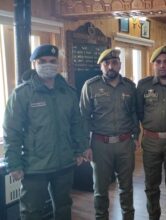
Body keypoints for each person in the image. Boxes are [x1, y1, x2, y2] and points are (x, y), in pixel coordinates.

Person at [3, 44, 88, 220]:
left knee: (64, 208)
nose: (48, 65)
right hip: (34, 166)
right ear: (34, 63)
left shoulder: (68, 92)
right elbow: (12, 131)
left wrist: (80, 149)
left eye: (52, 61)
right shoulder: (22, 94)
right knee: (31, 212)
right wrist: (14, 163)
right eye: (42, 61)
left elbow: (77, 123)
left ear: (58, 64)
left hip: (65, 163)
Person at [80, 48, 140, 220]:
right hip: (100, 146)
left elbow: (134, 113)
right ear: (101, 66)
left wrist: (136, 135)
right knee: (100, 191)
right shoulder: (90, 86)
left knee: (126, 188)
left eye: (114, 62)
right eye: (106, 63)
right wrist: (85, 145)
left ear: (119, 65)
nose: (110, 66)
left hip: (124, 144)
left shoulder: (129, 86)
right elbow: (83, 117)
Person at [136, 45, 166, 220]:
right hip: (150, 142)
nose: (162, 65)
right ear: (153, 64)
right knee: (151, 185)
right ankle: (153, 217)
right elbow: (139, 112)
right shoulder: (143, 85)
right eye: (158, 62)